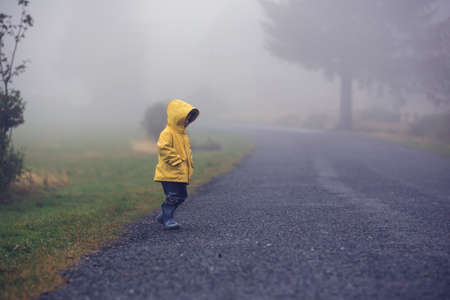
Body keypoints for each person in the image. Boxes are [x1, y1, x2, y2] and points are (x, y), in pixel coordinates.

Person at [154, 99, 199, 230]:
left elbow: (187, 152)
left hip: (180, 172)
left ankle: (163, 216)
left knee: (182, 196)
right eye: (185, 118)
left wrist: (189, 165)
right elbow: (163, 148)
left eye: (189, 119)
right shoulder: (167, 133)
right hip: (170, 173)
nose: (187, 121)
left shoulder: (183, 135)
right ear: (177, 117)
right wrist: (177, 161)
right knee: (173, 196)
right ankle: (168, 219)